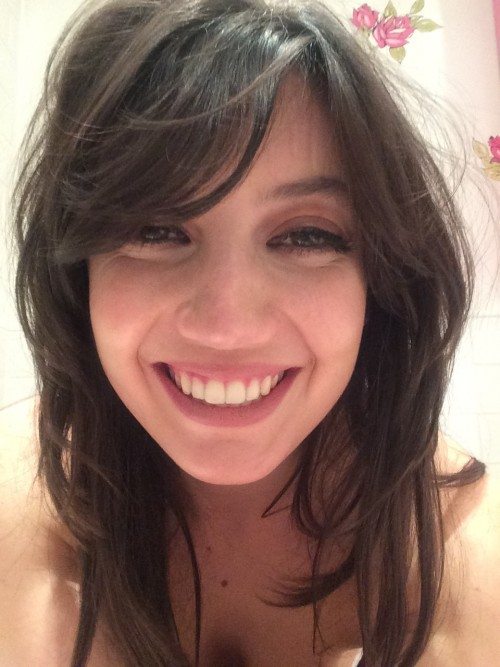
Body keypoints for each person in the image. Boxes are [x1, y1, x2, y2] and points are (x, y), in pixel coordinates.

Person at [1, 0, 499, 665]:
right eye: (156, 230)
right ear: (75, 269)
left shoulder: (472, 564)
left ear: (380, 281)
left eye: (306, 236)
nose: (228, 326)